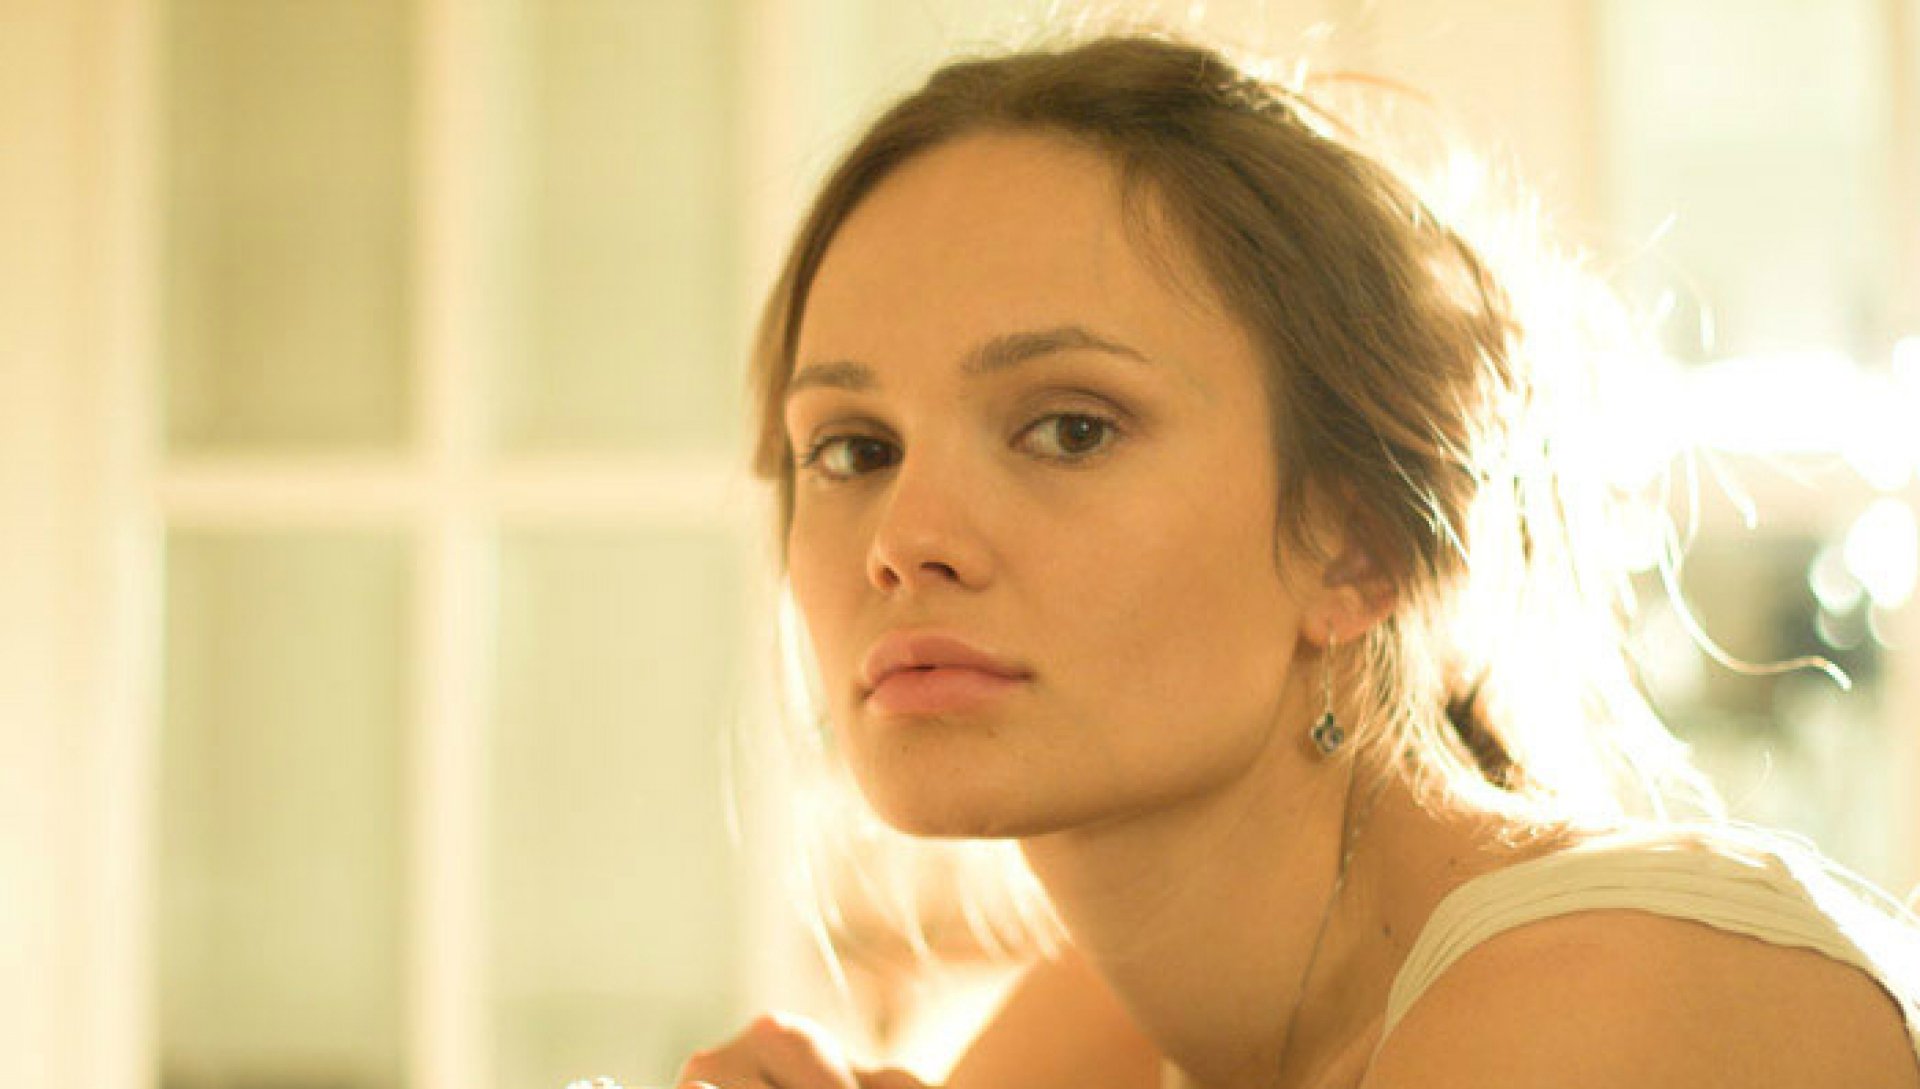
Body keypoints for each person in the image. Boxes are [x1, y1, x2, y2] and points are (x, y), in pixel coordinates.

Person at [674, 30, 1920, 1089]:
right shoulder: (1110, 1029)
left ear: (1355, 545)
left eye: (1071, 429)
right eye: (852, 448)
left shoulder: (1617, 994)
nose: (903, 543)